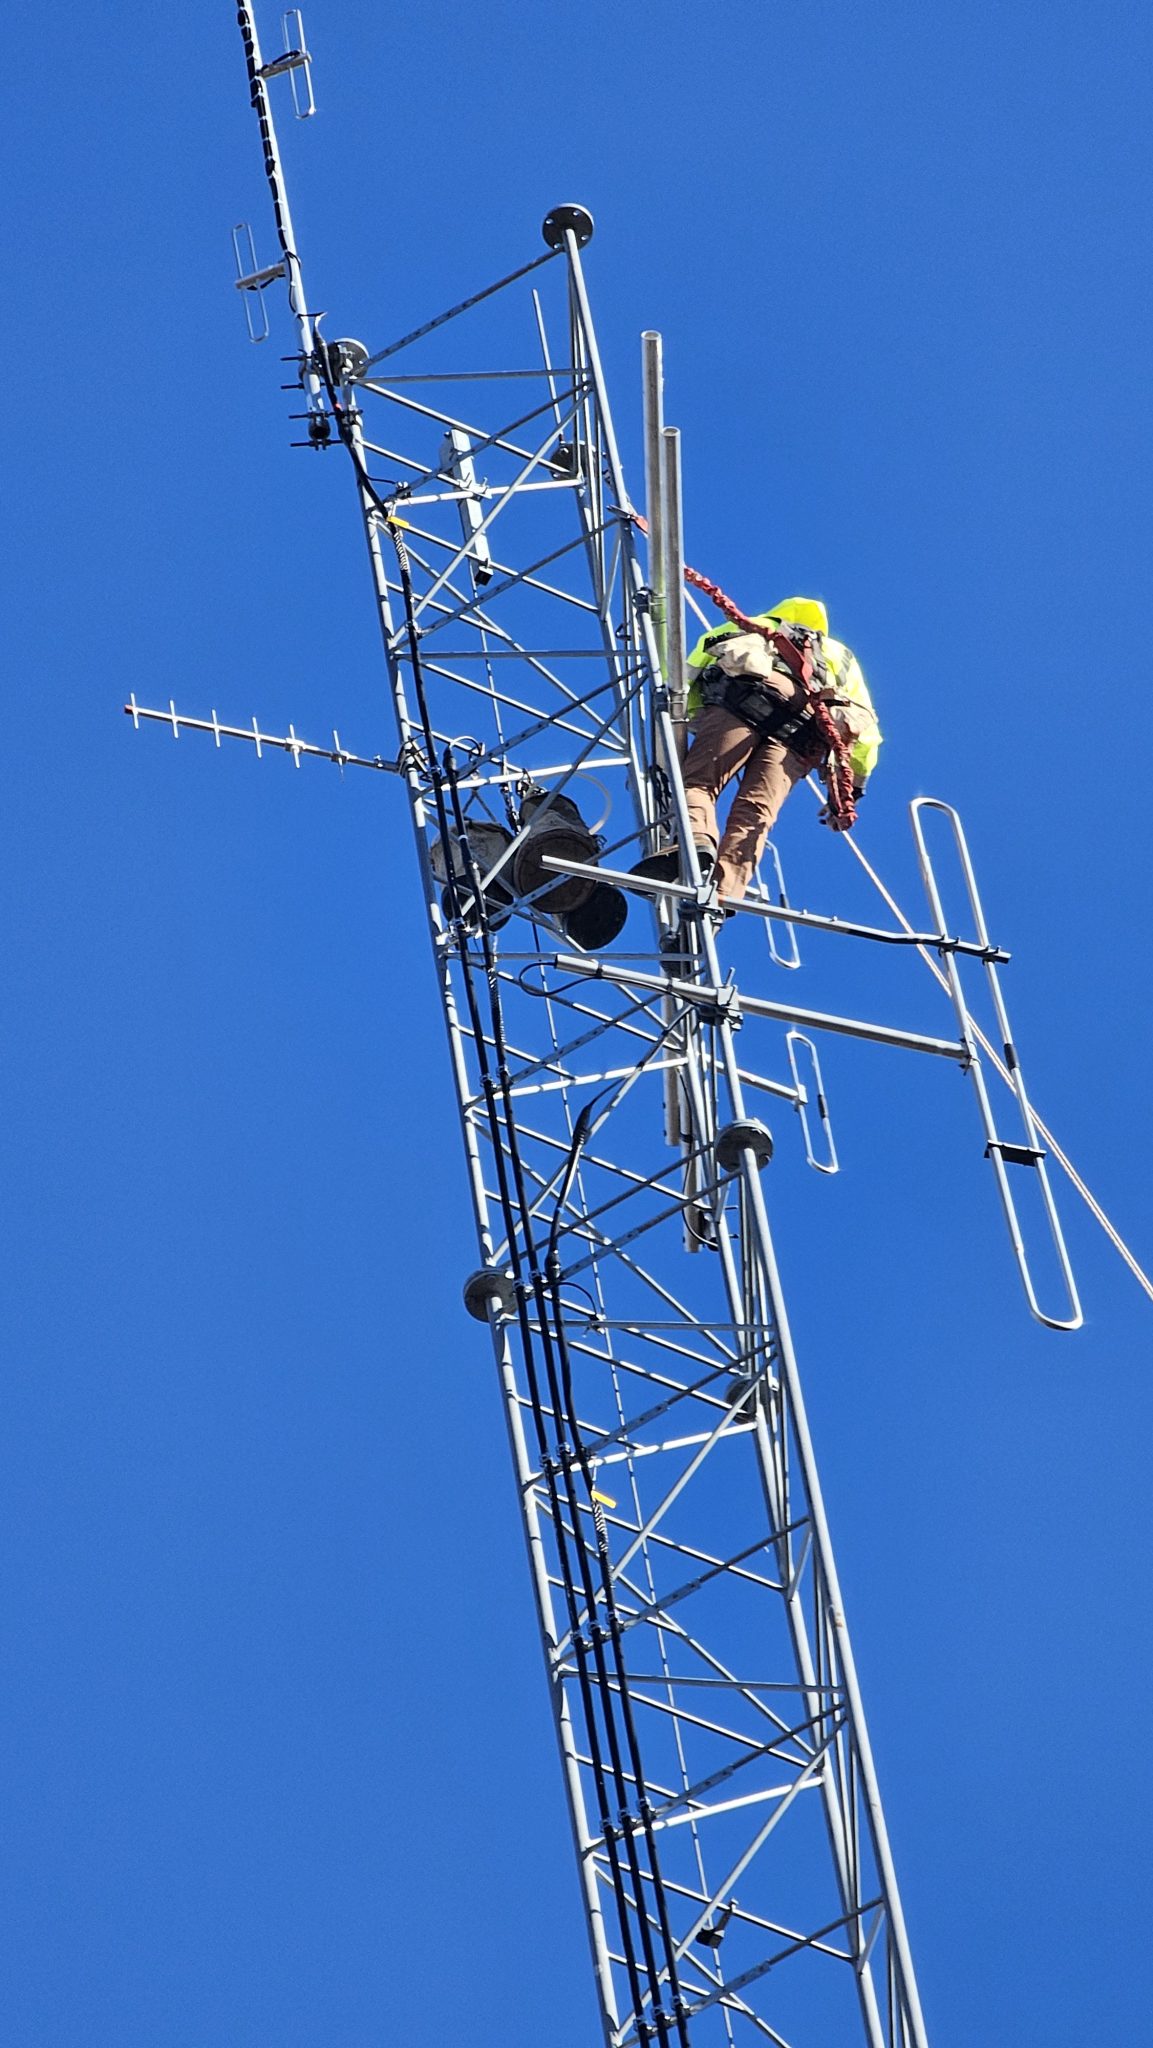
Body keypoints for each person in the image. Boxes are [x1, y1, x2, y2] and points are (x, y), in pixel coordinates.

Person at [673, 596, 881, 903]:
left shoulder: (759, 624)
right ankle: (723, 897)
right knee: (755, 815)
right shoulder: (840, 655)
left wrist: (688, 716)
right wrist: (851, 791)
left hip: (747, 697)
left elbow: (691, 667)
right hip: (805, 730)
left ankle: (697, 843)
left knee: (700, 785)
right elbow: (866, 730)